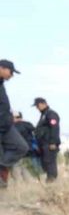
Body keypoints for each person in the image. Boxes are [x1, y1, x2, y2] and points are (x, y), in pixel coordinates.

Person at [0, 60, 28, 188]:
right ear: (2, 68)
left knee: (21, 147)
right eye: (11, 72)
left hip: (6, 126)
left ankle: (2, 166)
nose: (12, 75)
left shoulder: (1, 84)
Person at [34, 97, 61, 182]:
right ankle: (49, 178)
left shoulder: (51, 114)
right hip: (43, 143)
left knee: (50, 162)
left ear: (43, 103)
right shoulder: (43, 115)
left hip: (49, 143)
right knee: (45, 162)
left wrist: (53, 142)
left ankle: (51, 179)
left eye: (38, 105)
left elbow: (54, 128)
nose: (37, 108)